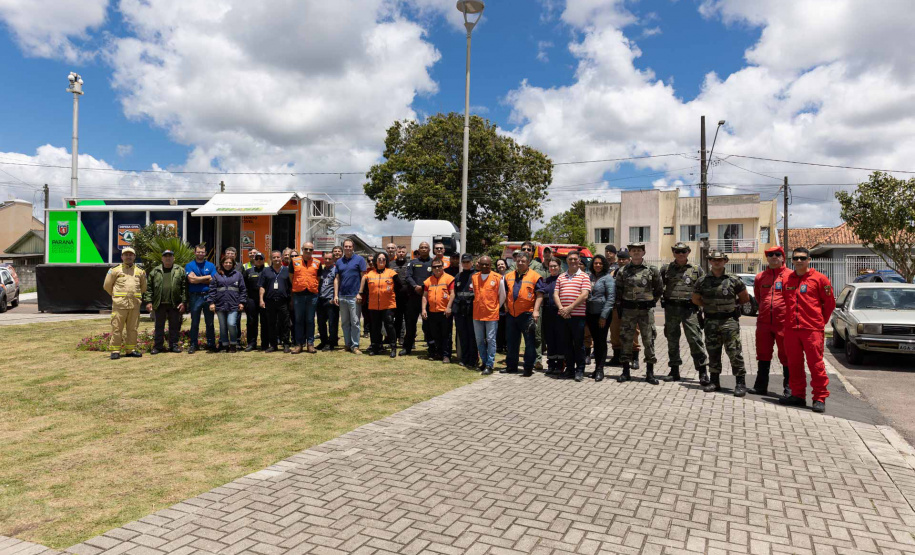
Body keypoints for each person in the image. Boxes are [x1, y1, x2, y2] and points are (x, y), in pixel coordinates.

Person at [779, 247, 835, 413]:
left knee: (815, 365)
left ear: (809, 259)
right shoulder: (787, 280)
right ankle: (798, 395)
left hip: (812, 330)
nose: (799, 261)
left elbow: (829, 303)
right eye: (796, 258)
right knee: (794, 364)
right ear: (792, 260)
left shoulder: (820, 279)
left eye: (803, 258)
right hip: (791, 330)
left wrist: (819, 322)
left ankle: (819, 398)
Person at [692, 250, 751, 396]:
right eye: (713, 259)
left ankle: (740, 383)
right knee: (713, 352)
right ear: (710, 261)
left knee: (734, 351)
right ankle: (714, 381)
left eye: (719, 260)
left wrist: (730, 306)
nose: (716, 262)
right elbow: (695, 299)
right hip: (711, 321)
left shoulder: (733, 279)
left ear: (725, 261)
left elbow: (744, 298)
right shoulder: (702, 280)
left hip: (729, 321)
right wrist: (709, 307)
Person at [660, 242, 709, 383]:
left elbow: (703, 289)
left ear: (688, 252)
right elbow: (658, 286)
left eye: (683, 251)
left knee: (695, 339)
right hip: (671, 309)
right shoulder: (666, 269)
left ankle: (702, 371)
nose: (680, 254)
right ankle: (674, 370)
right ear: (673, 252)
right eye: (677, 251)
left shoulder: (696, 270)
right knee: (672, 340)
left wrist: (702, 306)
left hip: (690, 310)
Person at [615, 242, 662, 384]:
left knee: (649, 340)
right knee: (626, 340)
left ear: (644, 252)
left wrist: (651, 301)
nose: (636, 252)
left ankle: (650, 373)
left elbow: (659, 288)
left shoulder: (652, 270)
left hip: (645, 310)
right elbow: (618, 291)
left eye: (639, 250)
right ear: (629, 253)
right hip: (628, 310)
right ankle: (625, 371)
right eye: (633, 250)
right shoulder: (623, 271)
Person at [749, 245, 793, 397]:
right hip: (764, 323)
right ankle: (760, 386)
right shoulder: (760, 277)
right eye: (770, 254)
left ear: (783, 257)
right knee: (762, 354)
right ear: (766, 258)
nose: (774, 257)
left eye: (777, 254)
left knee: (787, 355)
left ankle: (790, 388)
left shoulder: (791, 276)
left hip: (784, 323)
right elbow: (759, 297)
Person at [503, 252, 543, 377]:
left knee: (529, 343)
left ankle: (528, 368)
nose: (520, 263)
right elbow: (504, 293)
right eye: (518, 261)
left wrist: (536, 311)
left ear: (528, 262)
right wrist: (505, 306)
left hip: (527, 314)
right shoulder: (508, 276)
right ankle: (511, 366)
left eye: (523, 261)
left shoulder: (535, 276)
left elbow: (540, 295)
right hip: (511, 314)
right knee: (511, 342)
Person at [103, 246, 147, 359]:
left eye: (131, 255)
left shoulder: (140, 272)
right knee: (117, 328)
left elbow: (143, 287)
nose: (128, 256)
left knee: (132, 329)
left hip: (134, 305)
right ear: (122, 256)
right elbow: (107, 286)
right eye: (126, 254)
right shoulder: (115, 270)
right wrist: (117, 296)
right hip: (119, 305)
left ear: (134, 257)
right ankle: (115, 351)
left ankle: (130, 350)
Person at [554, 250, 591, 381]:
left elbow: (584, 295)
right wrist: (561, 309)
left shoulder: (584, 276)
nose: (573, 261)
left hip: (577, 316)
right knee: (567, 344)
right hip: (563, 316)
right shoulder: (561, 277)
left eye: (575, 259)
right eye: (570, 259)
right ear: (567, 261)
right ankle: (569, 369)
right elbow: (555, 294)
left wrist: (569, 308)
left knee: (578, 344)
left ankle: (580, 370)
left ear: (579, 260)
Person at [144, 249, 187, 354]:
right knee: (159, 326)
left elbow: (184, 288)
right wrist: (149, 301)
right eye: (165, 256)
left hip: (175, 304)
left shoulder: (180, 270)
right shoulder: (155, 271)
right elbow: (149, 288)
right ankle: (158, 347)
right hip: (159, 304)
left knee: (174, 326)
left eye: (170, 256)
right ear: (162, 258)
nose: (168, 258)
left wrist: (184, 302)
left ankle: (174, 346)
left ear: (174, 258)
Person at [359, 252, 401, 357]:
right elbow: (364, 290)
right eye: (379, 259)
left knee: (389, 326)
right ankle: (375, 347)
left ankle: (393, 348)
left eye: (383, 259)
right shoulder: (369, 275)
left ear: (386, 261)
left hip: (388, 305)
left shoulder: (391, 273)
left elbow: (399, 287)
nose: (381, 260)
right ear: (375, 261)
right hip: (373, 306)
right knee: (375, 327)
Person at [472, 255, 505, 375]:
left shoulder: (497, 277)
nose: (485, 266)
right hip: (477, 314)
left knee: (491, 340)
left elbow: (502, 296)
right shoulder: (474, 277)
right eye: (482, 264)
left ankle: (490, 365)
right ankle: (484, 362)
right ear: (479, 265)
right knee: (479, 339)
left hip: (491, 314)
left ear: (491, 265)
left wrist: (495, 306)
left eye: (487, 264)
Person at [334, 239, 367, 354]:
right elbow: (337, 279)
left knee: (355, 322)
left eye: (349, 246)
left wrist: (360, 292)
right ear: (343, 247)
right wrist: (336, 295)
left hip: (354, 296)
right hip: (342, 296)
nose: (347, 248)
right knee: (344, 322)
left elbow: (363, 277)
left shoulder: (360, 260)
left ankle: (355, 345)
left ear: (353, 247)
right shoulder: (339, 262)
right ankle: (347, 345)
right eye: (345, 246)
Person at [608, 249, 640, 367]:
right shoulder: (613, 273)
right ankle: (617, 357)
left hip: (631, 308)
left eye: (624, 259)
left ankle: (635, 358)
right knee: (615, 332)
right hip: (616, 307)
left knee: (633, 333)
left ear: (629, 259)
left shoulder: (635, 272)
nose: (621, 261)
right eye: (619, 259)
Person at [586, 254, 615, 382]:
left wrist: (603, 316)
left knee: (601, 341)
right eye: (595, 263)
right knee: (595, 341)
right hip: (590, 314)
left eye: (600, 263)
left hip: (602, 315)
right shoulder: (589, 276)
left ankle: (600, 369)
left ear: (604, 265)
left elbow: (611, 298)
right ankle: (596, 367)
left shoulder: (608, 278)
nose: (597, 265)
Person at [209, 255, 246, 352]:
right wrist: (211, 302)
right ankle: (225, 345)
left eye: (230, 263)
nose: (228, 264)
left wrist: (242, 302)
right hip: (220, 304)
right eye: (226, 262)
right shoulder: (217, 275)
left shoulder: (238, 275)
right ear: (222, 264)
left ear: (233, 264)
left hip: (233, 304)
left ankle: (233, 343)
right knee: (223, 326)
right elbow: (212, 290)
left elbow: (242, 289)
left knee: (231, 323)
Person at [290, 242, 321, 354]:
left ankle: (310, 344)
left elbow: (318, 278)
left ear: (313, 251)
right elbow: (291, 277)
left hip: (312, 295)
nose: (308, 251)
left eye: (311, 249)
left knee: (310, 320)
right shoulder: (294, 261)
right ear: (302, 249)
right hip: (298, 295)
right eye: (306, 249)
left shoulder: (317, 262)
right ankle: (299, 344)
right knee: (298, 320)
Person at [422, 258, 455, 363]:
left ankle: (446, 355)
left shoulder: (449, 279)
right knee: (436, 335)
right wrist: (423, 309)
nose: (437, 268)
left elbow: (453, 293)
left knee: (446, 335)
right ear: (431, 268)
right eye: (434, 267)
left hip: (445, 312)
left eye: (439, 266)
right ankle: (439, 353)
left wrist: (449, 307)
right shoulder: (428, 281)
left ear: (443, 266)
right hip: (432, 312)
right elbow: (424, 296)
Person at [186, 244, 218, 354]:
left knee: (210, 322)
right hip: (195, 296)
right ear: (195, 253)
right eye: (198, 252)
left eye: (202, 252)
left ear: (205, 253)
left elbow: (213, 279)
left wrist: (198, 279)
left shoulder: (211, 265)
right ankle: (193, 345)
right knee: (195, 322)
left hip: (208, 295)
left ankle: (211, 344)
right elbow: (191, 281)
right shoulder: (189, 265)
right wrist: (206, 278)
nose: (200, 254)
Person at [259, 250, 292, 353]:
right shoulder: (266, 271)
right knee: (271, 323)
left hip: (283, 301)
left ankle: (286, 343)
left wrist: (291, 299)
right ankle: (273, 345)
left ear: (281, 258)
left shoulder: (287, 270)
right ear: (271, 259)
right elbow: (262, 287)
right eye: (274, 257)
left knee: (285, 323)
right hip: (270, 301)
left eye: (278, 257)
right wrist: (261, 299)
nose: (276, 259)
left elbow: (291, 287)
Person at [402, 241, 432, 355]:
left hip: (427, 298)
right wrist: (415, 286)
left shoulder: (433, 263)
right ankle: (407, 347)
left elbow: (434, 277)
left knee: (428, 325)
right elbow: (408, 276)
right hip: (413, 297)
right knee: (410, 324)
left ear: (429, 250)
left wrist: (423, 287)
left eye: (426, 247)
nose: (423, 249)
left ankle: (431, 348)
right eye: (421, 247)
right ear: (418, 250)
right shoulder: (413, 262)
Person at [519, 242, 544, 370]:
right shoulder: (514, 264)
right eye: (524, 249)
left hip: (536, 305)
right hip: (519, 307)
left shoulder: (539, 266)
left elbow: (543, 282)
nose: (527, 250)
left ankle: (538, 359)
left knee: (536, 333)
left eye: (529, 249)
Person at [537, 258, 564, 374]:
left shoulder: (563, 280)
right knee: (550, 339)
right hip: (548, 313)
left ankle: (560, 365)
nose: (553, 268)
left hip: (560, 312)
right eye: (551, 266)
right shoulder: (546, 281)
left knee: (560, 339)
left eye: (555, 266)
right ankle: (551, 364)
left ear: (559, 266)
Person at [452, 254, 478, 368]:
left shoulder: (476, 276)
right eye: (464, 262)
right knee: (462, 335)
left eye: (468, 262)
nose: (466, 264)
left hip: (472, 310)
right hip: (460, 310)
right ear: (461, 263)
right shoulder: (458, 276)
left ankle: (473, 359)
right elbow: (455, 292)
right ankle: (464, 358)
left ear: (472, 262)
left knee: (472, 336)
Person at [317, 247, 341, 351]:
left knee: (332, 323)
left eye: (329, 259)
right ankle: (323, 341)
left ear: (333, 259)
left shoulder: (336, 270)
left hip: (331, 300)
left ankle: (331, 343)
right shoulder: (321, 270)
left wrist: (335, 297)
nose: (327, 261)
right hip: (321, 299)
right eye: (325, 259)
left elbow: (338, 284)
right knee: (321, 323)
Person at [243, 252, 268, 351]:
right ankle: (251, 343)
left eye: (260, 259)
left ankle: (265, 344)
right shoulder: (248, 271)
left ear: (263, 260)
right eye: (256, 259)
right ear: (253, 260)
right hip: (251, 299)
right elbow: (243, 286)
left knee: (265, 322)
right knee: (251, 322)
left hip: (264, 300)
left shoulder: (267, 271)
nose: (258, 260)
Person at [388, 245, 411, 346]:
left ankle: (406, 338)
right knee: (397, 318)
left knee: (408, 318)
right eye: (399, 252)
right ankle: (395, 337)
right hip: (395, 295)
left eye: (403, 252)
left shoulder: (410, 263)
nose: (401, 253)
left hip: (408, 295)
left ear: (406, 253)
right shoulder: (391, 264)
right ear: (396, 253)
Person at [495, 258, 508, 354]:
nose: (500, 266)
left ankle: (507, 345)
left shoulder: (510, 276)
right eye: (498, 265)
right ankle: (499, 346)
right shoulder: (495, 277)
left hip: (508, 304)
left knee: (508, 326)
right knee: (499, 326)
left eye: (502, 264)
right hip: (499, 304)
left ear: (506, 265)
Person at [362, 253, 375, 339]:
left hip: (375, 297)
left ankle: (373, 330)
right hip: (365, 297)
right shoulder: (365, 271)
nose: (370, 262)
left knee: (373, 316)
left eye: (372, 260)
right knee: (366, 315)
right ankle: (366, 331)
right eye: (369, 261)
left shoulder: (379, 270)